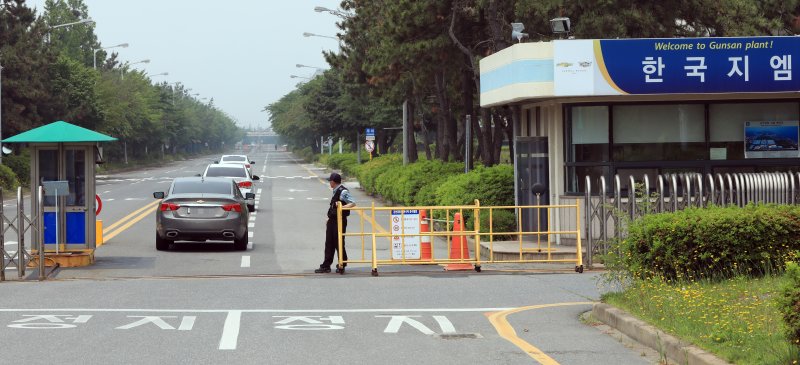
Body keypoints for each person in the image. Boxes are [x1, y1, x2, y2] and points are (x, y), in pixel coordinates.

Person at [315, 172, 356, 273]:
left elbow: (353, 203)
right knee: (329, 243)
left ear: (333, 182)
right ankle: (326, 265)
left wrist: (341, 207)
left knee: (339, 242)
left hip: (340, 220)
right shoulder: (335, 190)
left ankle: (342, 263)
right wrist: (329, 217)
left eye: (330, 181)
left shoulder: (343, 191)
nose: (330, 183)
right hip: (332, 220)